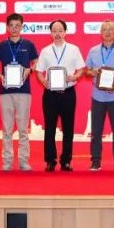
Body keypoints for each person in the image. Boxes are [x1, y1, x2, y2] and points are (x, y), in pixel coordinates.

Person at [0, 13, 39, 171]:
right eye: (11, 25)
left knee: (23, 129)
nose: (14, 28)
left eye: (17, 25)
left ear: (22, 27)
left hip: (24, 91)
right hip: (5, 91)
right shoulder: (1, 46)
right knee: (7, 129)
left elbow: (36, 62)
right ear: (7, 27)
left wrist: (29, 69)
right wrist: (0, 76)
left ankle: (24, 161)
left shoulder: (29, 44)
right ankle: (7, 161)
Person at [35, 19, 85, 172]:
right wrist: (43, 81)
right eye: (54, 31)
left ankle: (66, 161)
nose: (57, 34)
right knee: (49, 128)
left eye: (60, 31)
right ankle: (50, 160)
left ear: (65, 32)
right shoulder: (45, 51)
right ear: (50, 33)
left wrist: (75, 77)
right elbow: (39, 72)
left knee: (68, 128)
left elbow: (81, 69)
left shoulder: (74, 49)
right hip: (50, 94)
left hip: (68, 93)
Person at [85, 20, 114, 171]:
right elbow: (86, 71)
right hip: (97, 97)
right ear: (100, 33)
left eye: (111, 29)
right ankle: (95, 161)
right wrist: (93, 71)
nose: (108, 32)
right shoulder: (93, 51)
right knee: (96, 131)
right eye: (105, 29)